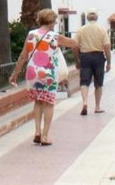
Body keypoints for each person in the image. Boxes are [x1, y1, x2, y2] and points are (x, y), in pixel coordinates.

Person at [9, 8, 79, 146]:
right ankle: (45, 136)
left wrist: (14, 74)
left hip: (32, 72)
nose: (55, 23)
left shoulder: (31, 35)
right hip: (48, 73)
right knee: (48, 103)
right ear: (51, 21)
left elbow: (23, 56)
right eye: (55, 21)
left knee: (38, 101)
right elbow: (74, 43)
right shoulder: (55, 36)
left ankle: (37, 132)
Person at [75, 10, 112, 115]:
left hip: (85, 57)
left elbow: (75, 46)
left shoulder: (80, 30)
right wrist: (109, 62)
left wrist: (77, 59)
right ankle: (97, 107)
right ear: (97, 17)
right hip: (98, 57)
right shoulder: (102, 29)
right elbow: (107, 47)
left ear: (87, 17)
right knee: (98, 83)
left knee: (84, 82)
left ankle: (85, 102)